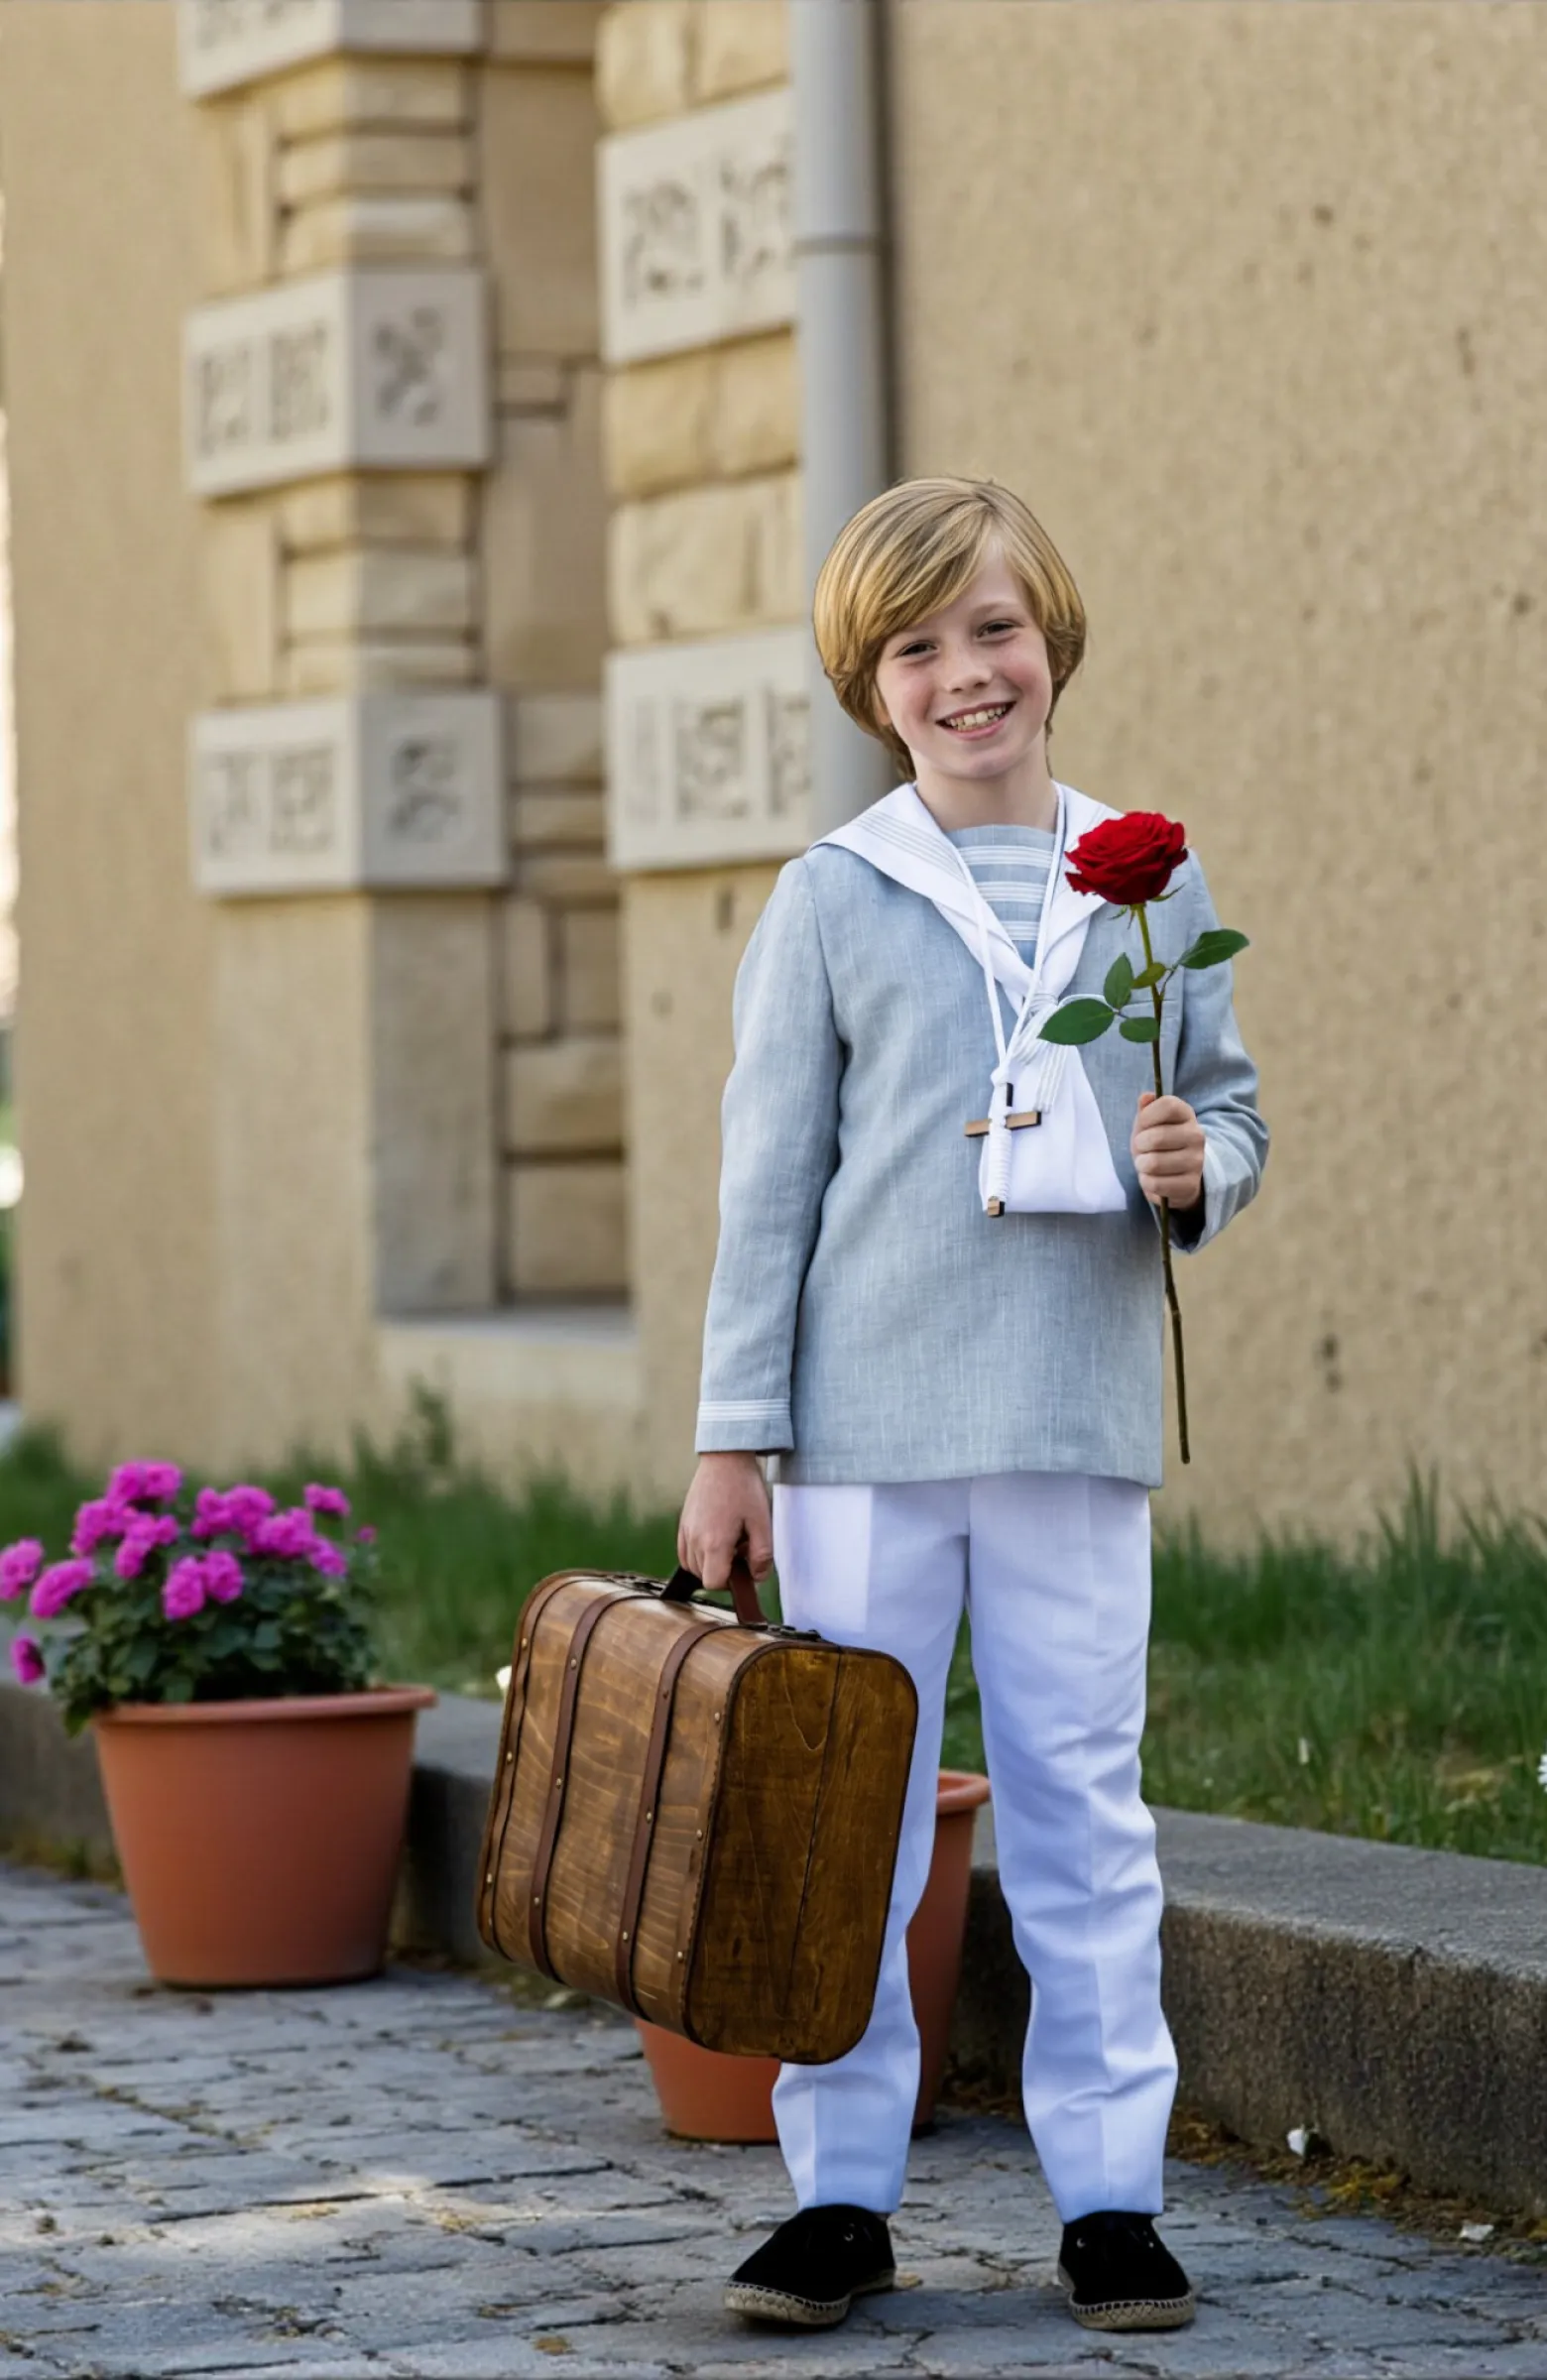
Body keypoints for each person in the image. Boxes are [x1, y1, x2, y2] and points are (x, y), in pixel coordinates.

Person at [677, 475, 1266, 2337]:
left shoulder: (1151, 887)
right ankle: (842, 2195)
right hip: (862, 1439)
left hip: (1074, 1422)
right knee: (848, 1821)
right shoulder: (837, 896)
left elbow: (1230, 1111)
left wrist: (1197, 1165)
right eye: (916, 647)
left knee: (1089, 1809)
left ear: (1055, 638)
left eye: (993, 629)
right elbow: (768, 1187)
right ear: (872, 686)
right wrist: (731, 1438)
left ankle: (1110, 2198)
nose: (964, 674)